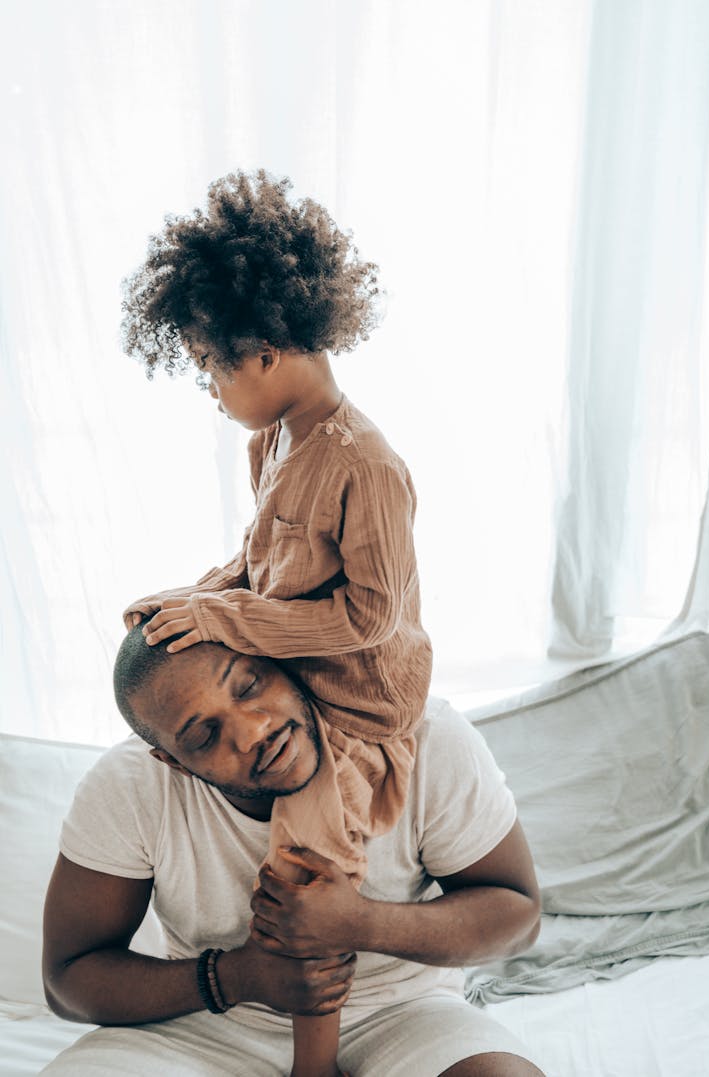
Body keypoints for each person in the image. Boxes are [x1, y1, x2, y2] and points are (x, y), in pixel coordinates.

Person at [120, 169, 433, 1074]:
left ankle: (313, 1061)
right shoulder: (274, 443)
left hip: (360, 701)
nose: (213, 391)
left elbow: (371, 617)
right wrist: (192, 599)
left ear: (260, 349)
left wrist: (233, 619)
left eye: (211, 368)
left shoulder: (365, 464)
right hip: (308, 682)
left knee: (305, 871)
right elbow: (261, 568)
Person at [41, 628, 545, 1077]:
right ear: (172, 761)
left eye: (250, 685)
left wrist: (361, 923)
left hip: (405, 1010)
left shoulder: (419, 735)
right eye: (204, 734)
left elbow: (518, 915)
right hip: (211, 1021)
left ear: (280, 660)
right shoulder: (129, 786)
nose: (253, 730)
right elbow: (67, 980)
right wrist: (234, 976)